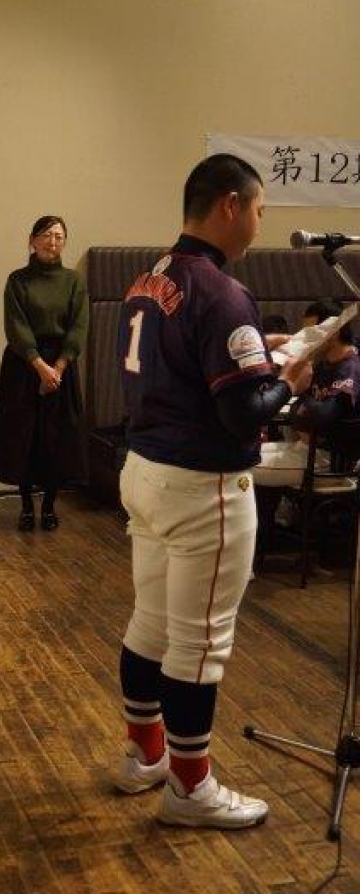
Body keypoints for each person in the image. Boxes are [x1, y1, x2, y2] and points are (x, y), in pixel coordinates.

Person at [114, 154, 312, 829]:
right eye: (258, 210)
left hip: (145, 470)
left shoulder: (149, 276)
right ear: (230, 205)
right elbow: (242, 412)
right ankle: (190, 788)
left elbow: (190, 362)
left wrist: (258, 352)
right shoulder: (224, 292)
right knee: (200, 643)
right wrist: (289, 382)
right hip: (203, 487)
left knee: (150, 624)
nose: (259, 224)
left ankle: (144, 755)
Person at [0, 215, 89, 530]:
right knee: (23, 436)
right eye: (46, 235)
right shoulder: (17, 280)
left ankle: (48, 506)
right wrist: (39, 366)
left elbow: (79, 326)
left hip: (61, 365)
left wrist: (57, 368)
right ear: (32, 240)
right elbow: (15, 326)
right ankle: (25, 506)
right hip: (24, 364)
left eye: (59, 236)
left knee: (56, 438)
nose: (52, 241)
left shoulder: (73, 281)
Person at [254, 300, 360, 488]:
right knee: (243, 453)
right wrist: (304, 413)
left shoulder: (350, 368)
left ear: (333, 333)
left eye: (311, 334)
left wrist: (304, 410)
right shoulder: (323, 365)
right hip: (308, 449)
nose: (304, 341)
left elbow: (321, 416)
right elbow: (299, 409)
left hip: (330, 462)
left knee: (241, 465)